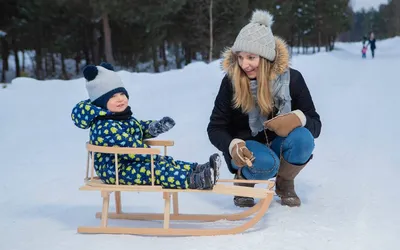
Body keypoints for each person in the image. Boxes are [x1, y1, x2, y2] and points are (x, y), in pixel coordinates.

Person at [207, 10, 322, 207]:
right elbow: (215, 127)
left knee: (303, 139)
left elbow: (315, 125)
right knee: (266, 163)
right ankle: (244, 180)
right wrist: (232, 144)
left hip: (277, 145)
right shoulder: (231, 82)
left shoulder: (293, 80)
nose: (244, 64)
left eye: (251, 57)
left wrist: (299, 118)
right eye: (240, 57)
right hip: (246, 150)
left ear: (266, 57)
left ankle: (285, 183)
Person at [71, 62, 221, 190]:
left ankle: (198, 169)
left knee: (166, 162)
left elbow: (138, 128)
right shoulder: (105, 126)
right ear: (101, 103)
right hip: (116, 170)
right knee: (157, 169)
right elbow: (128, 146)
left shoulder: (120, 118)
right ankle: (196, 180)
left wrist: (153, 127)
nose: (120, 99)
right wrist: (150, 154)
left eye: (122, 94)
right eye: (112, 96)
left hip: (128, 163)